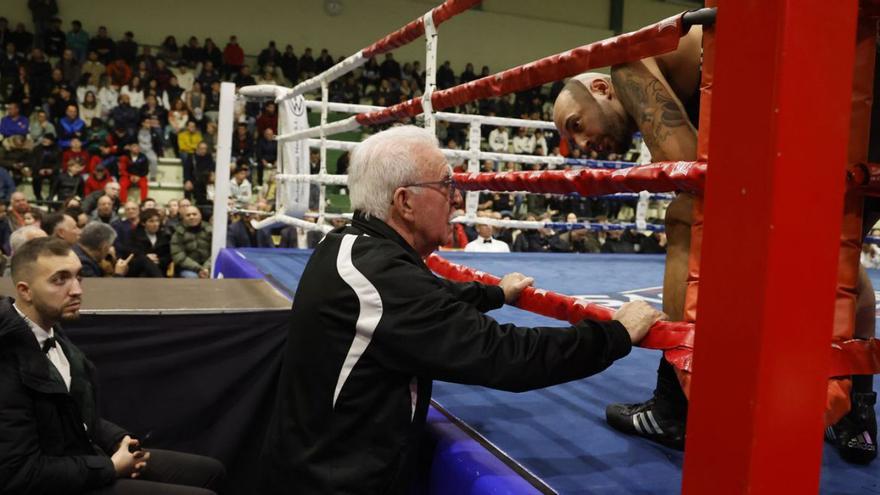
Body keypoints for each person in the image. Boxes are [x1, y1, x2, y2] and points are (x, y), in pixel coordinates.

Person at [259, 126, 664, 493]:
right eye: (445, 184)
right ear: (405, 201)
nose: (457, 197)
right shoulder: (379, 277)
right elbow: (505, 356)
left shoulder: (351, 246)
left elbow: (428, 296)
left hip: (313, 466)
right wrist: (615, 335)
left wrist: (494, 295)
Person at [553, 23, 878, 462]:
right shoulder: (685, 66)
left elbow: (693, 175)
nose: (582, 143)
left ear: (601, 88)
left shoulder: (629, 65)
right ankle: (856, 415)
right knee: (840, 256)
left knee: (685, 216)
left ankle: (673, 406)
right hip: (857, 95)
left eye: (576, 125)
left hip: (831, 96)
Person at [0, 237, 226, 493]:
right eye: (59, 279)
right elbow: (18, 474)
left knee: (211, 471)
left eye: (78, 277)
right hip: (54, 483)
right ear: (25, 290)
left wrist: (118, 440)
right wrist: (110, 467)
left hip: (84, 458)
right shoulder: (7, 357)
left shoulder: (51, 330)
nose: (76, 290)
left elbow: (76, 414)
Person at [170, 206, 212, 278]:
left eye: (194, 214)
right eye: (188, 215)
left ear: (200, 216)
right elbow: (178, 256)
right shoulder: (178, 234)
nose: (191, 217)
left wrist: (206, 267)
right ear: (183, 218)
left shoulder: (210, 230)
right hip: (189, 269)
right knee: (192, 277)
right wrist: (199, 269)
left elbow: (216, 252)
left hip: (209, 266)